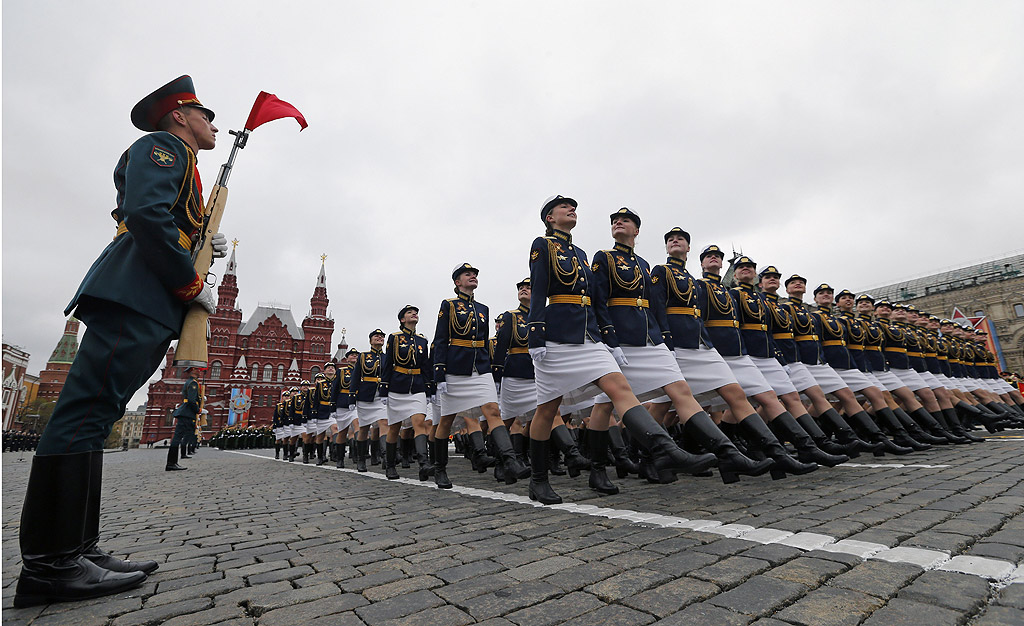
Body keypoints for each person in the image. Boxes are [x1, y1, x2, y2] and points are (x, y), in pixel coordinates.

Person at [14, 75, 228, 608]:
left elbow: (166, 221)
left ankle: (77, 549)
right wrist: (190, 281)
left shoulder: (183, 159)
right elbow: (146, 215)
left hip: (148, 298)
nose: (214, 123)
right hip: (138, 292)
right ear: (179, 115)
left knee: (98, 413)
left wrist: (201, 237)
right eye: (206, 113)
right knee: (84, 410)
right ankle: (50, 564)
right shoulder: (161, 147)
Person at [526, 196, 718, 505]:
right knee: (548, 408)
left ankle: (664, 450)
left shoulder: (580, 253)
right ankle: (538, 480)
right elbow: (538, 288)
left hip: (588, 337)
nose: (572, 210)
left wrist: (608, 340)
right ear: (550, 218)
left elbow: (595, 299)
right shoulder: (543, 245)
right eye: (564, 207)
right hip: (558, 337)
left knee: (619, 388)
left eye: (573, 207)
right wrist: (535, 333)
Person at [432, 264, 528, 489]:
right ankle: (440, 468)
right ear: (457, 281)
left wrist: (492, 370)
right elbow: (440, 339)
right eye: (468, 274)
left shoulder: (483, 308)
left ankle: (509, 460)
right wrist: (440, 373)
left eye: (474, 274)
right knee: (446, 420)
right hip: (455, 369)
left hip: (480, 368)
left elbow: (484, 341)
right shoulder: (448, 305)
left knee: (493, 411)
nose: (473, 276)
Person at [378, 305, 433, 480]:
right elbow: (388, 363)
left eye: (416, 312)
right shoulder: (394, 337)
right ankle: (391, 464)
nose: (414, 314)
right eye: (409, 313)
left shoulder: (422, 341)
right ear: (402, 319)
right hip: (398, 386)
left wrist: (429, 387)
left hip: (417, 386)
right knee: (394, 427)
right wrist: (384, 388)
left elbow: (425, 366)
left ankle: (424, 463)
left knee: (420, 423)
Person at [166, 366, 201, 470]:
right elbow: (191, 400)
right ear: (192, 371)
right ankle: (171, 463)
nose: (199, 371)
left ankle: (172, 462)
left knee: (178, 437)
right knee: (177, 438)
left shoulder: (189, 382)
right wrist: (198, 410)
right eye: (197, 369)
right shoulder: (193, 383)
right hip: (187, 413)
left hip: (185, 412)